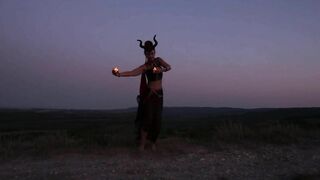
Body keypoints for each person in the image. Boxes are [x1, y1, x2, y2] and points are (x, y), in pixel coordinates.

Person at [112, 35, 171, 151]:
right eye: (148, 54)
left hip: (159, 95)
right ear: (145, 54)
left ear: (154, 52)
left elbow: (169, 67)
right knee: (147, 119)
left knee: (157, 120)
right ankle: (142, 144)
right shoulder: (145, 66)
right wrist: (120, 74)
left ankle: (153, 142)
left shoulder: (159, 61)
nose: (151, 55)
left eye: (152, 53)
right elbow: (133, 72)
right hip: (149, 94)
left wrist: (161, 69)